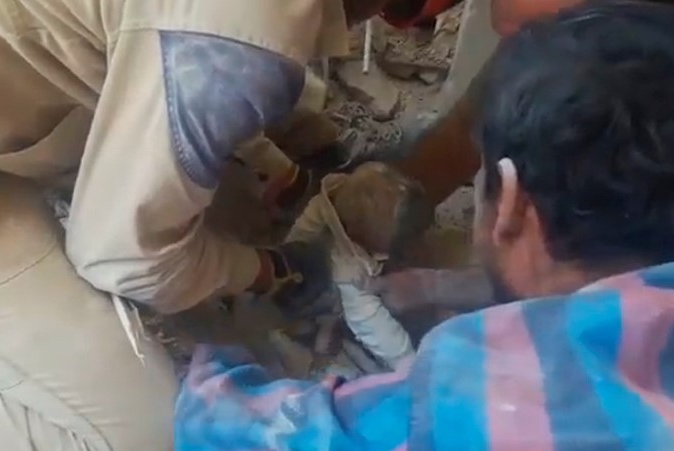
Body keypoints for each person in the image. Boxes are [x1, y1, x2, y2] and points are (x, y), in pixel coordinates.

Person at [0, 0, 423, 448]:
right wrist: (270, 270)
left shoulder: (235, 39)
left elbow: (173, 44)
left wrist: (277, 172)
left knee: (213, 218)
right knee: (157, 431)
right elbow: (120, 259)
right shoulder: (241, 42)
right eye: (413, 11)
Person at [175, 1, 674, 449]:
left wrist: (210, 368)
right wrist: (439, 286)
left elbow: (237, 429)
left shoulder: (471, 391)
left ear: (513, 205)